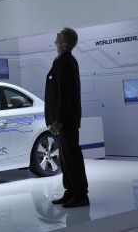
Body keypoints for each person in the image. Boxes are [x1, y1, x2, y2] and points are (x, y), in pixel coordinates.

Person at [44, 27, 89, 208]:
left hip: (66, 122)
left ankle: (80, 194)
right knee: (65, 158)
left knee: (72, 158)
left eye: (59, 34)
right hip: (63, 121)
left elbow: (65, 95)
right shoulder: (62, 61)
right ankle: (71, 191)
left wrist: (59, 120)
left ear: (63, 41)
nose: (55, 35)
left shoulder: (66, 62)